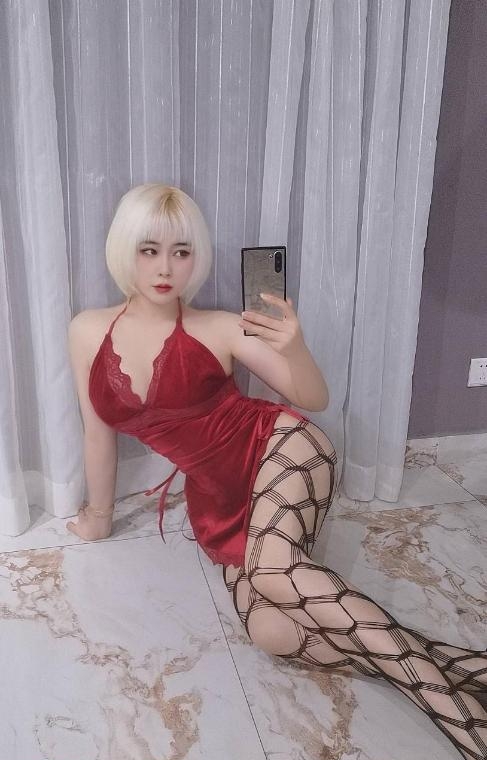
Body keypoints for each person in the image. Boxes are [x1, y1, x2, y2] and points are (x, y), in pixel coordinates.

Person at [67, 183, 487, 759]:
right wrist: (97, 516)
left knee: (271, 570)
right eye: (149, 250)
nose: (165, 268)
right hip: (217, 499)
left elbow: (313, 398)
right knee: (272, 632)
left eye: (182, 252)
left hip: (281, 450)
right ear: (124, 249)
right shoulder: (87, 330)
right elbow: (97, 433)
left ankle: (461, 718)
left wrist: (295, 347)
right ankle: (463, 665)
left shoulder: (218, 327)